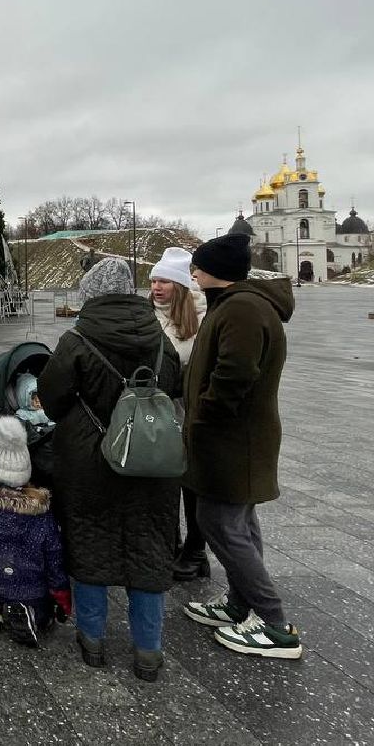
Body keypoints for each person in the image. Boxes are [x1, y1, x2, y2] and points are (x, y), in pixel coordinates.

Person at [37, 257, 182, 681]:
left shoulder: (78, 339)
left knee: (89, 542)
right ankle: (149, 651)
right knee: (149, 546)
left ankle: (93, 640)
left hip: (90, 459)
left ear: (90, 295)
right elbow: (174, 388)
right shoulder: (160, 339)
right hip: (152, 459)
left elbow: (53, 397)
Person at [180, 233, 302, 659]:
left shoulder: (243, 309)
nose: (192, 272)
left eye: (197, 265)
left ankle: (273, 623)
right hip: (232, 436)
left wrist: (202, 417)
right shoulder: (234, 304)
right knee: (239, 524)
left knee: (221, 523)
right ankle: (240, 603)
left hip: (233, 438)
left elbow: (234, 372)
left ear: (216, 271)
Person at [0, 417, 70, 647]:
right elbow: (54, 555)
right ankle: (32, 614)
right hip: (33, 589)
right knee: (43, 605)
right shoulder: (41, 512)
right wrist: (62, 596)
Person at [148, 247, 210, 582]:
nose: (157, 287)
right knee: (162, 481)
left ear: (182, 286)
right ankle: (168, 544)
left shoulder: (201, 318)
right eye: (154, 280)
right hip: (157, 411)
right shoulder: (146, 315)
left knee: (192, 485)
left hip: (187, 411)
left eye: (165, 281)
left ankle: (196, 550)